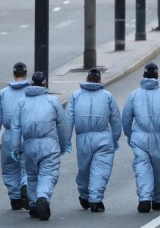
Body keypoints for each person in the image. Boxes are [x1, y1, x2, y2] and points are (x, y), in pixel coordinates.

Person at [9, 71, 71, 221]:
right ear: (45, 83)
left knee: (32, 175)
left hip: (29, 145)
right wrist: (64, 144)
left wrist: (15, 148)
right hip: (49, 145)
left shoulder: (22, 102)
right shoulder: (52, 101)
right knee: (48, 174)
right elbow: (63, 125)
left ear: (32, 83)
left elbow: (15, 127)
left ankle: (33, 204)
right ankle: (42, 197)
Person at [65, 68, 122, 213]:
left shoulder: (75, 96)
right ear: (100, 80)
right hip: (103, 137)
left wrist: (65, 140)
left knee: (84, 169)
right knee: (101, 169)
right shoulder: (107, 96)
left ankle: (84, 195)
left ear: (87, 78)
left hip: (82, 138)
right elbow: (115, 119)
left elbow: (68, 119)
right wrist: (115, 137)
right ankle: (95, 199)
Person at [122, 62, 160, 213]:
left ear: (144, 75)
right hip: (158, 138)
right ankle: (158, 198)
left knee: (142, 167)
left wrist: (129, 133)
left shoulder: (134, 95)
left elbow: (127, 116)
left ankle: (144, 198)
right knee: (159, 170)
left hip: (139, 137)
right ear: (157, 76)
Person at [0, 61, 31, 210]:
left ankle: (15, 198)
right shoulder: (32, 91)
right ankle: (26, 185)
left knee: (10, 168)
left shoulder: (3, 93)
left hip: (9, 135)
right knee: (28, 165)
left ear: (14, 74)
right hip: (27, 135)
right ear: (26, 74)